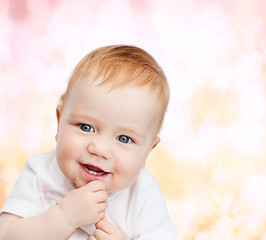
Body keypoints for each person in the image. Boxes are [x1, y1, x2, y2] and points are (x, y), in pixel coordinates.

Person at [0, 45, 176, 240]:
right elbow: (6, 235)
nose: (99, 149)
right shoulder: (40, 173)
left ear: (147, 152)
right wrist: (64, 217)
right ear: (59, 123)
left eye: (124, 139)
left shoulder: (144, 195)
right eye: (85, 127)